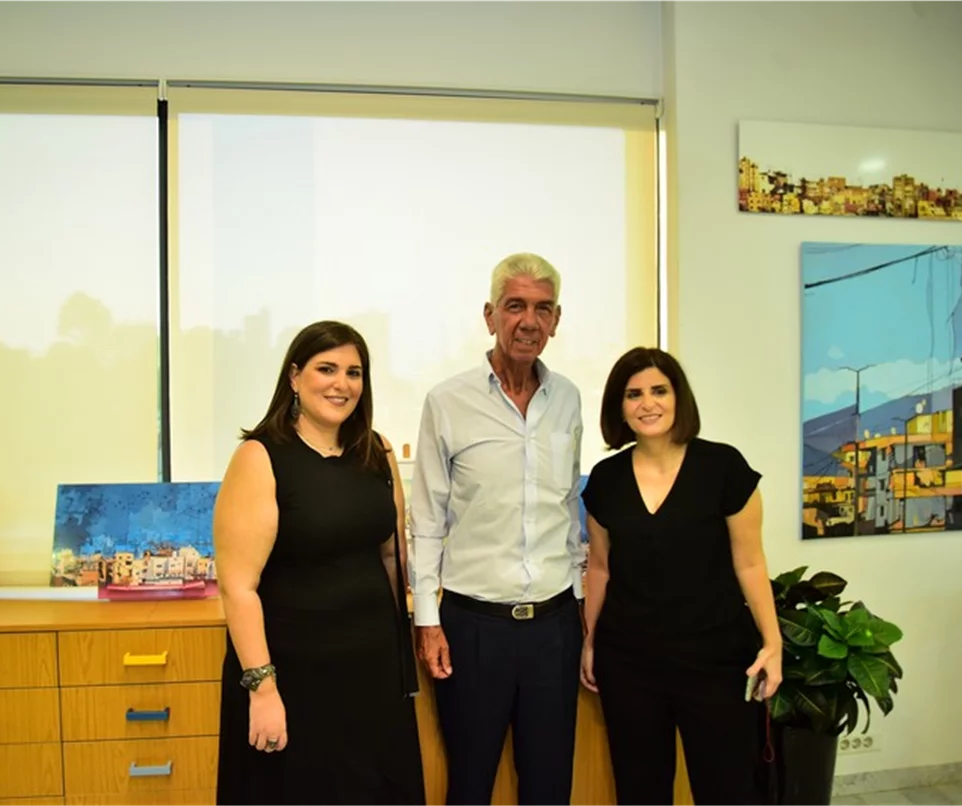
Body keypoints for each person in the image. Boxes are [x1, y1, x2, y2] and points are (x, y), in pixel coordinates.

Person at [213, 320, 425, 806]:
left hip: (372, 675)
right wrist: (263, 690)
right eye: (326, 369)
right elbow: (238, 587)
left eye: (354, 372)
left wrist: (405, 647)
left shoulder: (377, 451)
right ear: (294, 377)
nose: (341, 384)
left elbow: (391, 555)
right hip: (293, 678)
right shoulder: (260, 457)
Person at [409, 252, 585, 806]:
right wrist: (427, 620)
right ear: (490, 315)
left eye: (542, 308)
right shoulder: (447, 401)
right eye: (515, 306)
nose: (529, 321)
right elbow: (426, 520)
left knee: (549, 786)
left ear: (556, 320)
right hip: (474, 630)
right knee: (470, 785)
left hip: (555, 628)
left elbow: (566, 507)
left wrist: (581, 607)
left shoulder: (568, 400)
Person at [579, 346, 782, 806]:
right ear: (619, 407)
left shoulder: (724, 467)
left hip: (716, 661)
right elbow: (601, 567)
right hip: (629, 662)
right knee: (640, 790)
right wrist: (591, 641)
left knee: (728, 790)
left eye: (659, 390)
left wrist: (773, 644)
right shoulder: (606, 480)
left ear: (679, 398)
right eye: (633, 394)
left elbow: (750, 562)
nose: (647, 403)